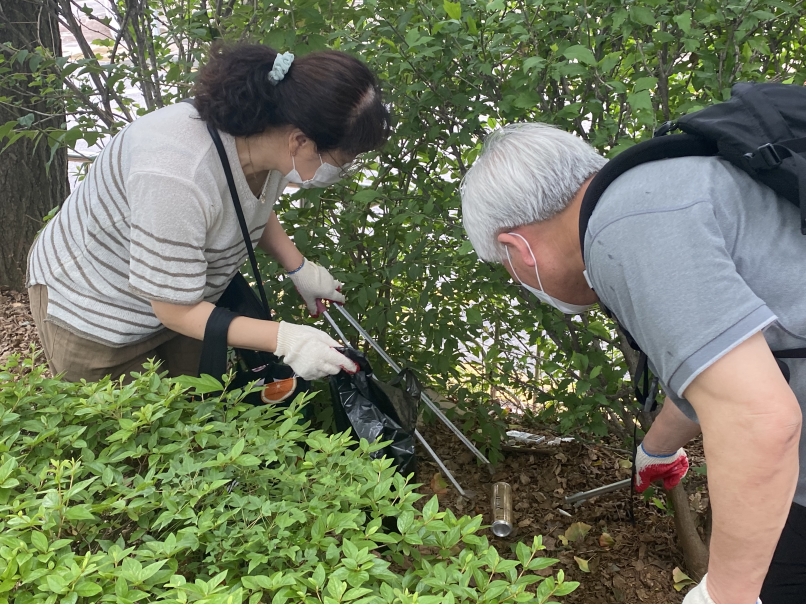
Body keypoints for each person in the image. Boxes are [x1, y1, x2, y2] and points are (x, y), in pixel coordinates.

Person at [460, 122, 805, 603]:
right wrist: (658, 449)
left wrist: (725, 595)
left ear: (519, 248)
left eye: (507, 267)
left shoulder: (625, 230)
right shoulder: (661, 189)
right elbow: (726, 367)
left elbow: (760, 421)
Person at [27, 42, 390, 382]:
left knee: (195, 413)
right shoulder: (176, 171)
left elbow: (247, 204)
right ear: (300, 140)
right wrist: (286, 339)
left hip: (190, 301)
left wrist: (299, 267)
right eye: (341, 160)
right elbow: (174, 310)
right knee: (131, 437)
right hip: (100, 312)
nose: (341, 170)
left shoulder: (270, 142)